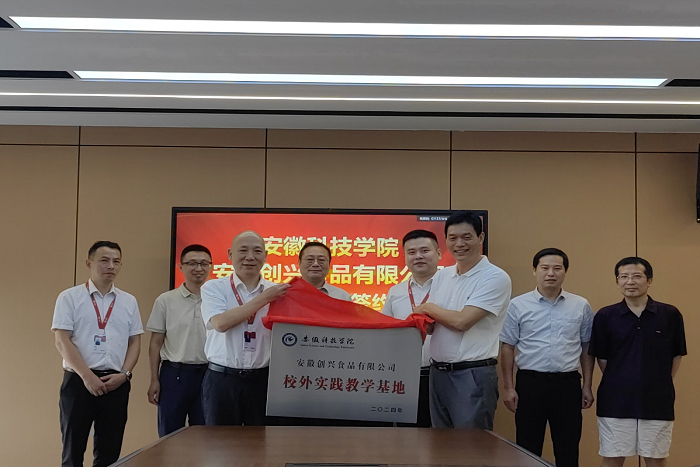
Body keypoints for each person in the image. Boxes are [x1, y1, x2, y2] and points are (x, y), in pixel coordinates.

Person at [413, 211, 511, 429]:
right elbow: (432, 326)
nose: (459, 244)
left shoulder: (495, 277)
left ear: (480, 237)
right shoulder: (442, 275)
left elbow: (462, 322)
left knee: (471, 445)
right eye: (452, 238)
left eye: (466, 237)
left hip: (472, 375)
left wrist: (427, 307)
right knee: (440, 443)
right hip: (437, 374)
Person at [499, 248, 595, 467]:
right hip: (530, 383)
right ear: (535, 270)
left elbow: (586, 347)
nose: (551, 273)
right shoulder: (518, 305)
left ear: (565, 271)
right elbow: (507, 347)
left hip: (567, 384)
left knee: (568, 447)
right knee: (527, 448)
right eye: (545, 268)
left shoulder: (580, 305)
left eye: (557, 268)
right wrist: (509, 387)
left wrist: (587, 386)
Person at [51, 241, 143, 467]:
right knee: (73, 451)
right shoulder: (69, 297)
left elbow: (135, 342)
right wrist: (87, 376)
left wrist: (125, 374)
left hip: (116, 382)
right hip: (79, 381)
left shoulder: (128, 301)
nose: (111, 266)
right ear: (89, 263)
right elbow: (62, 341)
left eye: (116, 261)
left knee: (109, 453)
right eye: (104, 260)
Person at [589, 257, 686, 467]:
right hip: (615, 400)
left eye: (636, 276)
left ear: (649, 280)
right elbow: (602, 358)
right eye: (624, 277)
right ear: (617, 281)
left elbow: (676, 355)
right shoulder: (605, 316)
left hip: (657, 400)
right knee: (613, 457)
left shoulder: (670, 314)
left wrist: (658, 381)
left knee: (656, 458)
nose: (630, 281)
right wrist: (623, 378)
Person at [200, 230, 290, 425]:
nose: (250, 257)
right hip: (222, 379)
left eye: (257, 251)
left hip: (262, 380)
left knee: (261, 440)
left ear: (265, 256)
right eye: (243, 250)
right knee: (220, 441)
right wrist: (264, 298)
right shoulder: (214, 287)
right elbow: (221, 323)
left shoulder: (279, 292)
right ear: (230, 254)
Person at [146, 244, 212, 436]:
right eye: (192, 263)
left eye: (204, 263)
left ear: (211, 267)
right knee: (169, 434)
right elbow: (155, 343)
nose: (198, 268)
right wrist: (154, 379)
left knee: (206, 435)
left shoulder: (218, 300)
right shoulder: (166, 300)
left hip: (210, 374)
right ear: (180, 266)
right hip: (174, 375)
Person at [382, 229, 441, 428]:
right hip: (405, 374)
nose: (418, 256)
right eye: (411, 252)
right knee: (408, 432)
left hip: (442, 374)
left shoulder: (451, 287)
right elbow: (386, 330)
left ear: (438, 254)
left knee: (444, 433)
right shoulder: (395, 291)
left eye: (424, 250)